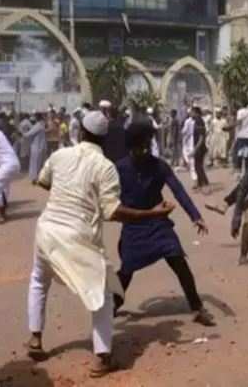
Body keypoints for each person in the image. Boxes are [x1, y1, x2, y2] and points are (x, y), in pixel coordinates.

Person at [25, 111, 177, 377]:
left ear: (81, 132)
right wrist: (153, 213)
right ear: (105, 139)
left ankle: (35, 339)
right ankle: (102, 358)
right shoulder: (105, 167)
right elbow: (114, 212)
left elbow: (44, 181)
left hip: (47, 230)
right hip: (78, 236)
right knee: (103, 295)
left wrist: (69, 193)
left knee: (39, 280)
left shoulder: (60, 155)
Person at [113, 121, 214, 325]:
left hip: (158, 223)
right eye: (138, 147)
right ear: (131, 146)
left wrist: (195, 216)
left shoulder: (159, 166)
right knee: (126, 270)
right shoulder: (119, 168)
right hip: (133, 225)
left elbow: (178, 190)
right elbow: (108, 199)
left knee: (178, 260)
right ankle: (112, 306)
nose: (143, 151)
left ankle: (197, 308)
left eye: (146, 146)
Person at [24, 112, 47, 184]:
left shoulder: (38, 125)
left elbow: (28, 134)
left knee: (35, 163)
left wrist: (22, 132)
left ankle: (34, 178)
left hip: (36, 147)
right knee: (38, 163)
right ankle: (37, 178)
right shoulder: (41, 124)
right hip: (40, 146)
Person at [190, 107, 209, 192]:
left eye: (191, 112)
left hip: (200, 148)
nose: (190, 114)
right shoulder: (198, 120)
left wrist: (195, 149)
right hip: (200, 147)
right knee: (198, 166)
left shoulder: (199, 121)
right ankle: (201, 184)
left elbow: (201, 137)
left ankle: (204, 185)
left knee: (198, 166)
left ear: (195, 112)